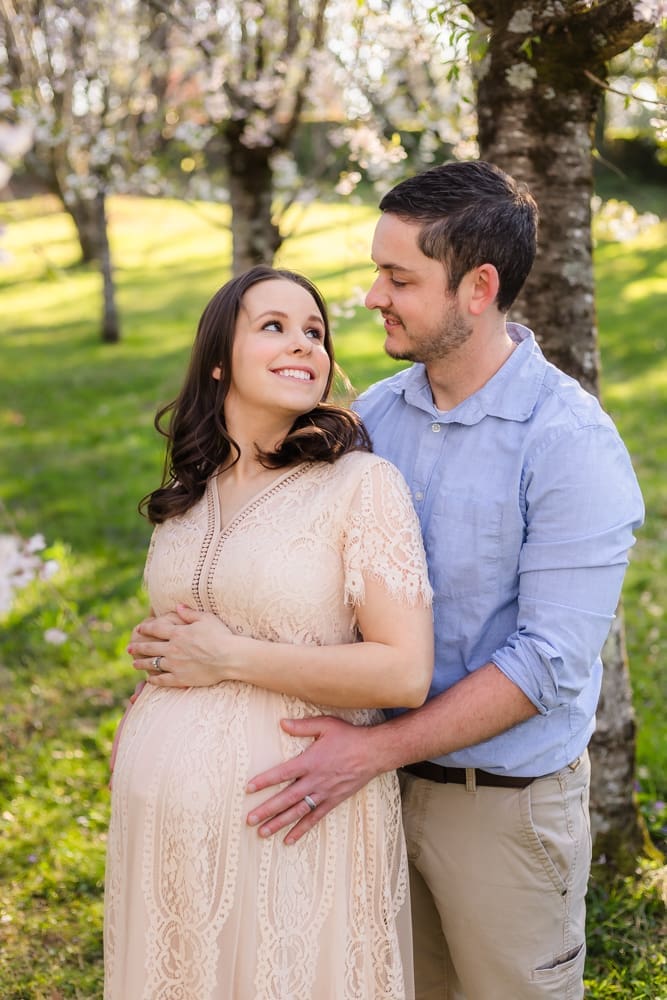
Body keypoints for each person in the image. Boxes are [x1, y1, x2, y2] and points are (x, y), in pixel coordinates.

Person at [233, 161, 645, 1000]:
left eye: (399, 277)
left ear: (476, 287)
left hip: (500, 808)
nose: (372, 295)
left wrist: (373, 750)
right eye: (376, 270)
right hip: (367, 792)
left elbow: (548, 664)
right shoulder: (373, 417)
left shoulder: (570, 443)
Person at [103, 265, 434, 1000]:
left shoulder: (359, 485)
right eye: (274, 327)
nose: (303, 345)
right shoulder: (190, 491)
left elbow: (404, 672)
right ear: (219, 358)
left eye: (314, 331)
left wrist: (229, 657)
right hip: (164, 835)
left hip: (291, 825)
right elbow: (188, 632)